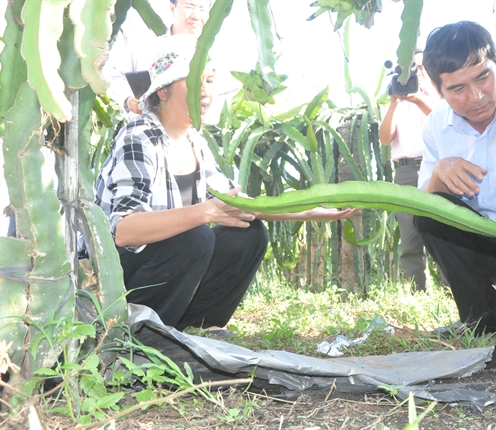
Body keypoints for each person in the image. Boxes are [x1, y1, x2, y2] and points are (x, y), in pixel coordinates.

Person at [95, 35, 356, 336]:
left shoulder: (195, 142)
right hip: (119, 276)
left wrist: (309, 212)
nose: (204, 92)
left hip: (164, 267)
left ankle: (194, 329)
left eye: (209, 80)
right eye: (194, 81)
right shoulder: (139, 137)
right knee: (196, 236)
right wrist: (205, 213)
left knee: (248, 235)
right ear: (163, 91)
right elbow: (125, 231)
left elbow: (235, 204)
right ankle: (139, 334)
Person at [414, 21, 496, 334]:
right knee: (429, 215)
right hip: (487, 243)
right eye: (458, 89)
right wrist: (440, 172)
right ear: (437, 89)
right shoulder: (437, 126)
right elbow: (425, 203)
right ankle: (483, 321)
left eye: (483, 77)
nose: (478, 96)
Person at [378, 51, 439, 292]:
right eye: (409, 68)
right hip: (404, 171)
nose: (415, 72)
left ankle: (451, 288)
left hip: (433, 168)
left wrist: (417, 100)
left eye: (419, 67)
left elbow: (443, 123)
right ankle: (419, 290)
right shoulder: (396, 103)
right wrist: (394, 102)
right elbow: (384, 139)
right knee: (409, 234)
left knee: (443, 228)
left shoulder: (436, 96)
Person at [103, 0, 211, 119]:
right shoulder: (145, 47)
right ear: (172, 8)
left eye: (202, 9)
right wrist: (127, 97)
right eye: (189, 6)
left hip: (188, 134)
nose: (196, 16)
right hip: (143, 132)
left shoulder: (211, 59)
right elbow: (113, 75)